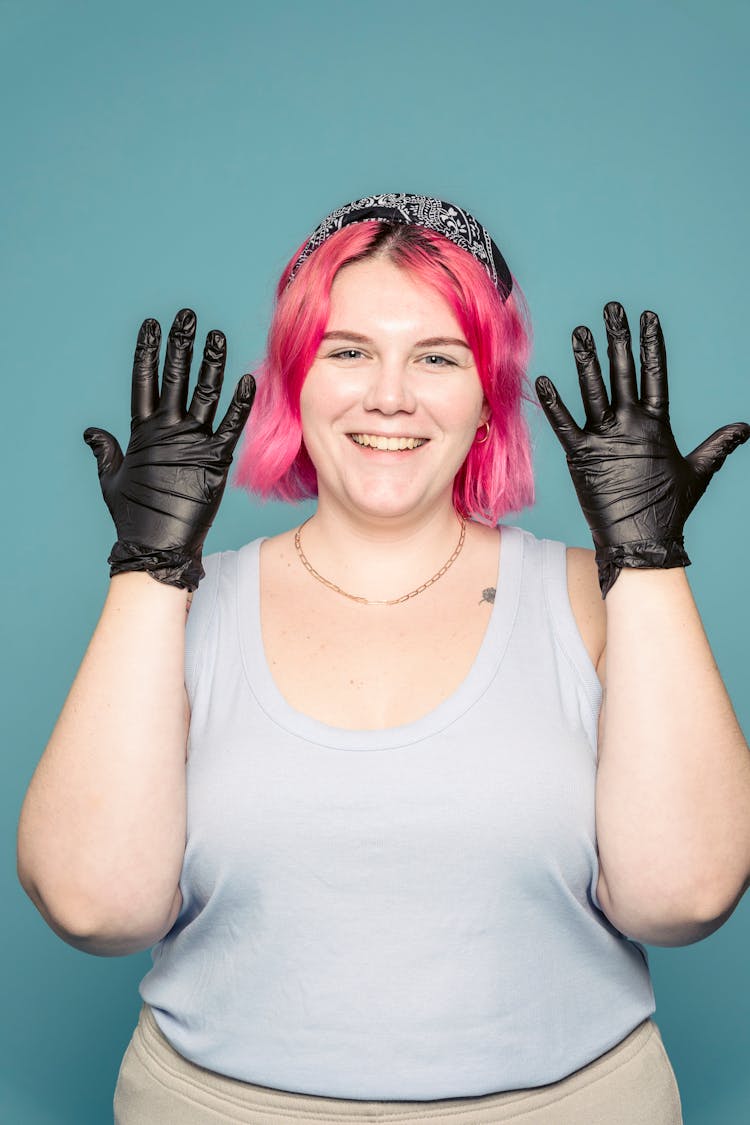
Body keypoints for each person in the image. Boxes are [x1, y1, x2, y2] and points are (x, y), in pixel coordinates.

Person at [16, 193, 750, 1124]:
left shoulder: (596, 600)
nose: (390, 394)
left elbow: (683, 898)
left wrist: (647, 562)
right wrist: (149, 569)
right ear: (293, 379)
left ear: (489, 393)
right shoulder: (186, 608)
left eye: (438, 356)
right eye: (348, 349)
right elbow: (92, 906)